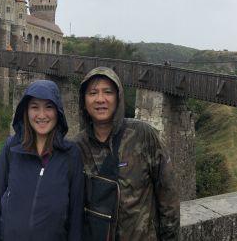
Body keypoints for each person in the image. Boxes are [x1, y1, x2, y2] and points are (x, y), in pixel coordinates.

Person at [75, 67, 179, 240]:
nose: (100, 99)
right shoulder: (77, 147)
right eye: (93, 93)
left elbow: (168, 194)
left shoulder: (143, 135)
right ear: (84, 101)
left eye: (108, 92)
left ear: (118, 98)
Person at [0, 80, 84, 241]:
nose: (42, 115)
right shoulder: (12, 148)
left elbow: (76, 214)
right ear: (26, 111)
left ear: (58, 111)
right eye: (34, 107)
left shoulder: (71, 155)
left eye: (49, 107)